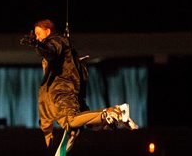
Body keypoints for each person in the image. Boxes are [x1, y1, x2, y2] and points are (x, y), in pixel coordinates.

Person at [20, 19, 138, 148]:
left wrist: (38, 45)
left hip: (63, 90)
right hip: (66, 90)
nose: (37, 37)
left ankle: (115, 112)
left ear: (48, 31)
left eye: (38, 33)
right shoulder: (62, 44)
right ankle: (112, 121)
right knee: (83, 122)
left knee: (71, 119)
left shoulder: (56, 41)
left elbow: (51, 51)